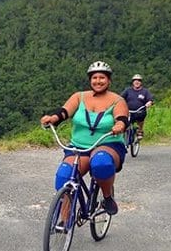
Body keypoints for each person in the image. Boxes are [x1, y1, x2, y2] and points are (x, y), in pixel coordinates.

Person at [40, 61, 128, 215]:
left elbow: (122, 118)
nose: (98, 81)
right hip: (79, 147)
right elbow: (64, 112)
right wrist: (53, 118)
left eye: (102, 77)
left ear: (109, 80)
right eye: (94, 77)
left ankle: (107, 197)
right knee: (64, 175)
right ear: (90, 80)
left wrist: (120, 125)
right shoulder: (79, 97)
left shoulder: (117, 100)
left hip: (107, 144)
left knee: (101, 163)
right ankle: (64, 222)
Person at [120, 74, 154, 140]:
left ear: (141, 82)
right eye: (135, 80)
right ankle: (123, 136)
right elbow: (120, 98)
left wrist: (149, 103)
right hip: (128, 111)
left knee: (141, 117)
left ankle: (140, 131)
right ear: (133, 82)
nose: (137, 82)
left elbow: (150, 99)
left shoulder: (145, 91)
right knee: (124, 122)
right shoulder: (128, 90)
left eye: (139, 80)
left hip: (140, 112)